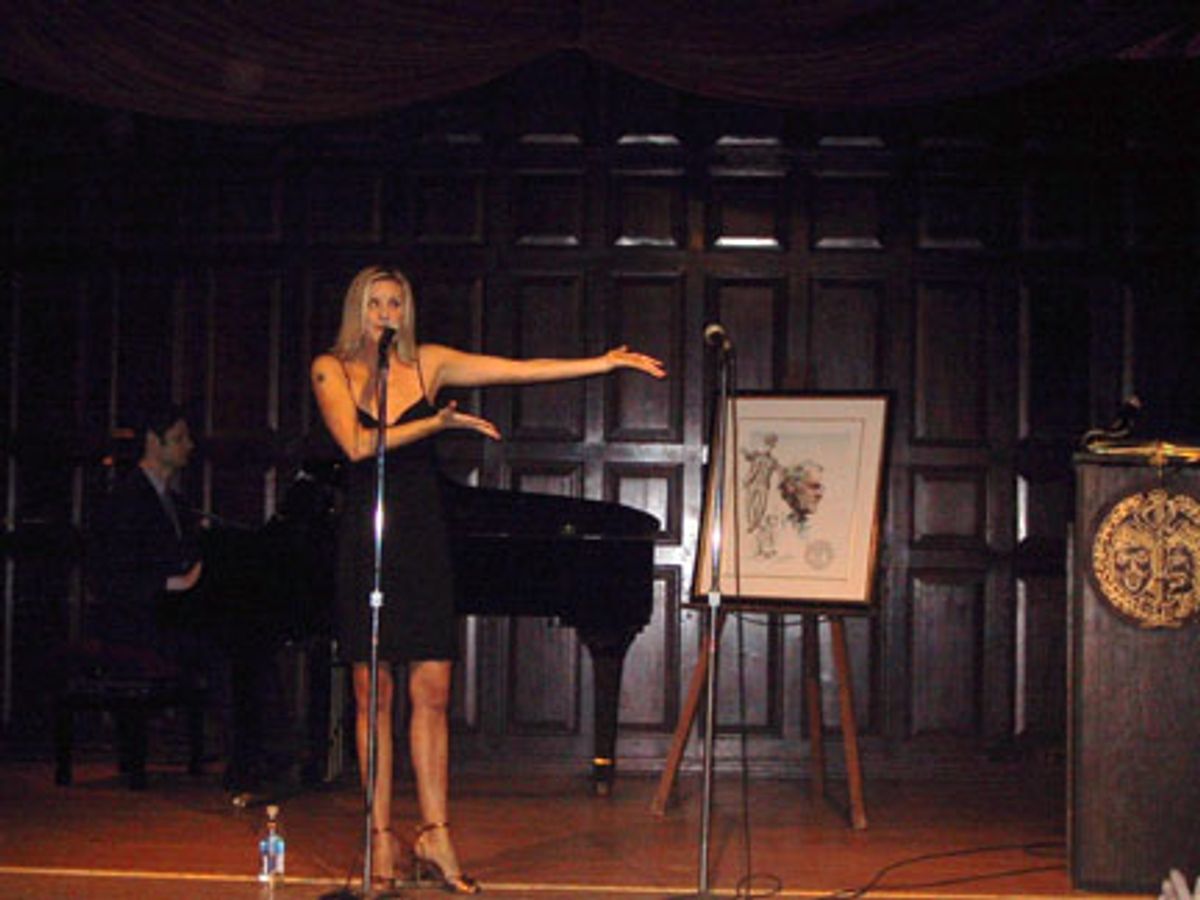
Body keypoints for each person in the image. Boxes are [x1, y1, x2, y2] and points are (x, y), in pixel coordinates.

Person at [310, 264, 665, 892]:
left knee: (433, 693)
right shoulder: (331, 369)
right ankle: (380, 839)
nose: (386, 315)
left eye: (396, 304)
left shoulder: (431, 364)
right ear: (356, 310)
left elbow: (517, 368)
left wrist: (601, 363)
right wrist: (436, 425)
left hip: (422, 537)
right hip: (368, 535)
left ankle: (435, 833)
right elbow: (359, 447)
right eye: (375, 304)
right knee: (375, 696)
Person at [89, 403, 204, 675]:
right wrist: (176, 582)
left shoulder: (178, 503)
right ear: (154, 442)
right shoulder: (124, 500)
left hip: (166, 619)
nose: (189, 445)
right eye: (179, 438)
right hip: (136, 626)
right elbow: (111, 577)